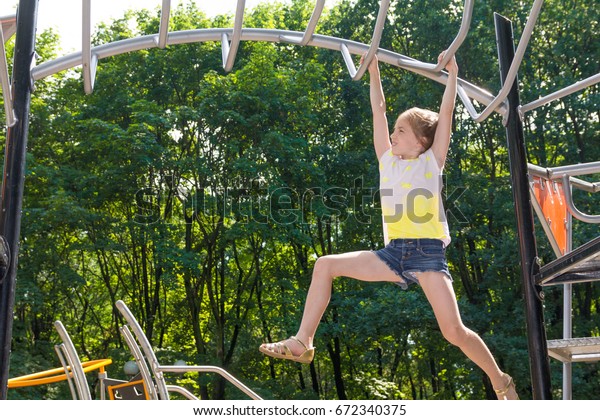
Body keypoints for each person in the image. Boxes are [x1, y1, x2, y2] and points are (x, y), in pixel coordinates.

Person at [260, 51, 519, 400]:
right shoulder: (387, 160)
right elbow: (378, 109)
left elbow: (445, 115)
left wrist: (454, 73)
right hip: (393, 253)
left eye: (401, 130)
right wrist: (374, 69)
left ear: (421, 141)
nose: (393, 134)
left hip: (427, 254)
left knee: (453, 331)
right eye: (394, 130)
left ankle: (500, 381)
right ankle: (303, 342)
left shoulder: (431, 161)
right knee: (324, 265)